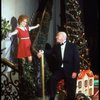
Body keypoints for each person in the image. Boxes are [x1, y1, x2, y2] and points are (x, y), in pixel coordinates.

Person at [37, 31, 80, 100]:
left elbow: (77, 60)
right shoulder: (56, 46)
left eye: (58, 35)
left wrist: (75, 71)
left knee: (71, 88)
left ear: (63, 37)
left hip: (70, 70)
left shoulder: (72, 46)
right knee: (52, 80)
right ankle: (52, 97)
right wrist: (41, 51)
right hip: (60, 70)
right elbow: (49, 51)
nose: (56, 37)